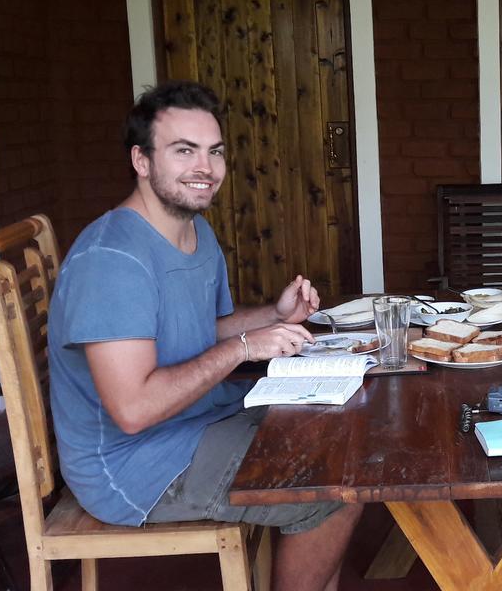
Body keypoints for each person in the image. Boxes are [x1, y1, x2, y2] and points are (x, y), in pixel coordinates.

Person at [47, 81, 362, 591]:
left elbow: (192, 334)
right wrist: (243, 347)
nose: (205, 168)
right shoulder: (112, 261)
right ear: (142, 161)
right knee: (332, 488)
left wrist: (270, 315)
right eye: (184, 151)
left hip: (198, 420)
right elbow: (134, 410)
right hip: (135, 466)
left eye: (214, 152)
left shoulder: (195, 230)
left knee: (343, 425)